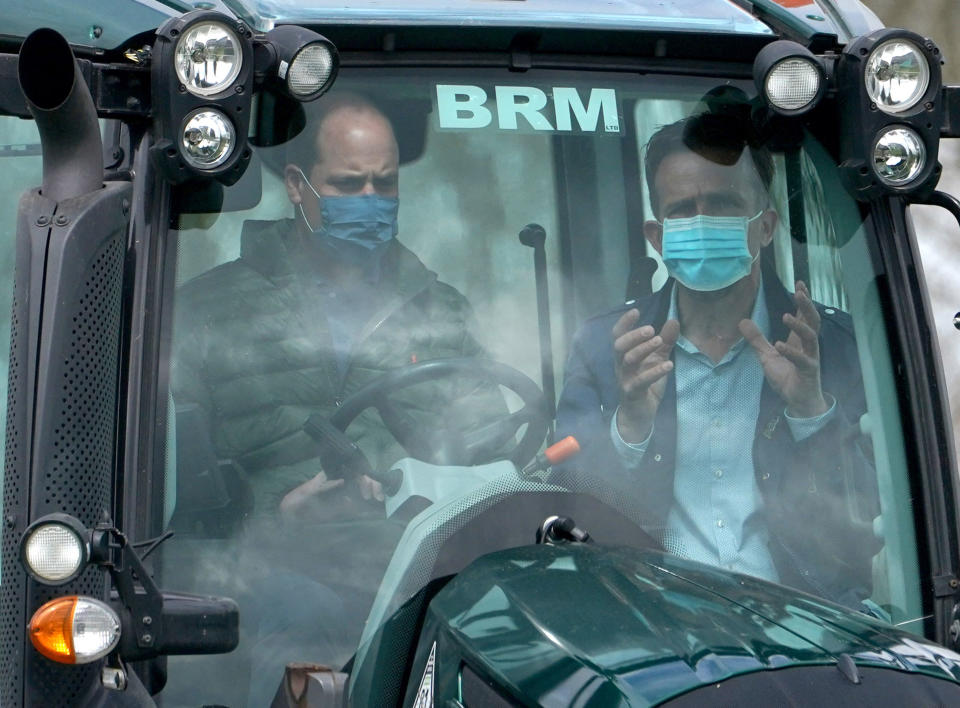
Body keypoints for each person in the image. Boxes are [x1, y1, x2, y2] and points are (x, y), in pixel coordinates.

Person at [556, 113, 880, 608]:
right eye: (683, 210)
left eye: (725, 205)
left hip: (807, 624)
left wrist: (813, 415)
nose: (703, 223)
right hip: (650, 623)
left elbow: (886, 523)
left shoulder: (830, 346)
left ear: (766, 226)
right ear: (657, 237)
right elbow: (561, 498)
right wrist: (630, 426)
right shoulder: (607, 347)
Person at [171, 92, 500, 517]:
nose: (369, 199)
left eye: (384, 183)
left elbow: (493, 463)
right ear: (295, 184)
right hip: (253, 576)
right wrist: (276, 516)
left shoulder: (446, 315)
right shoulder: (206, 311)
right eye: (348, 184)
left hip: (423, 563)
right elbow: (168, 492)